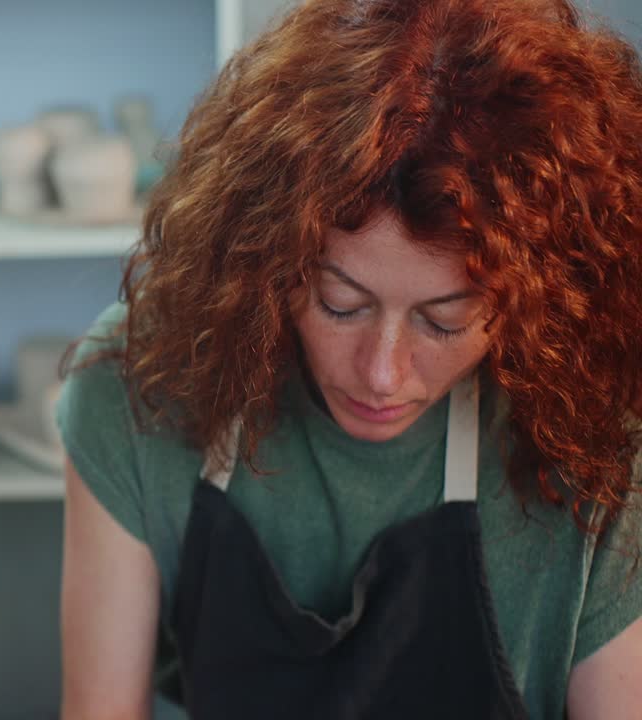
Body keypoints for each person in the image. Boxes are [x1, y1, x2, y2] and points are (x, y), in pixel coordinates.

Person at [58, 0, 642, 717]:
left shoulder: (597, 436)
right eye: (341, 304)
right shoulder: (141, 379)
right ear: (267, 258)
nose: (382, 374)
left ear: (534, 300)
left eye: (444, 321)